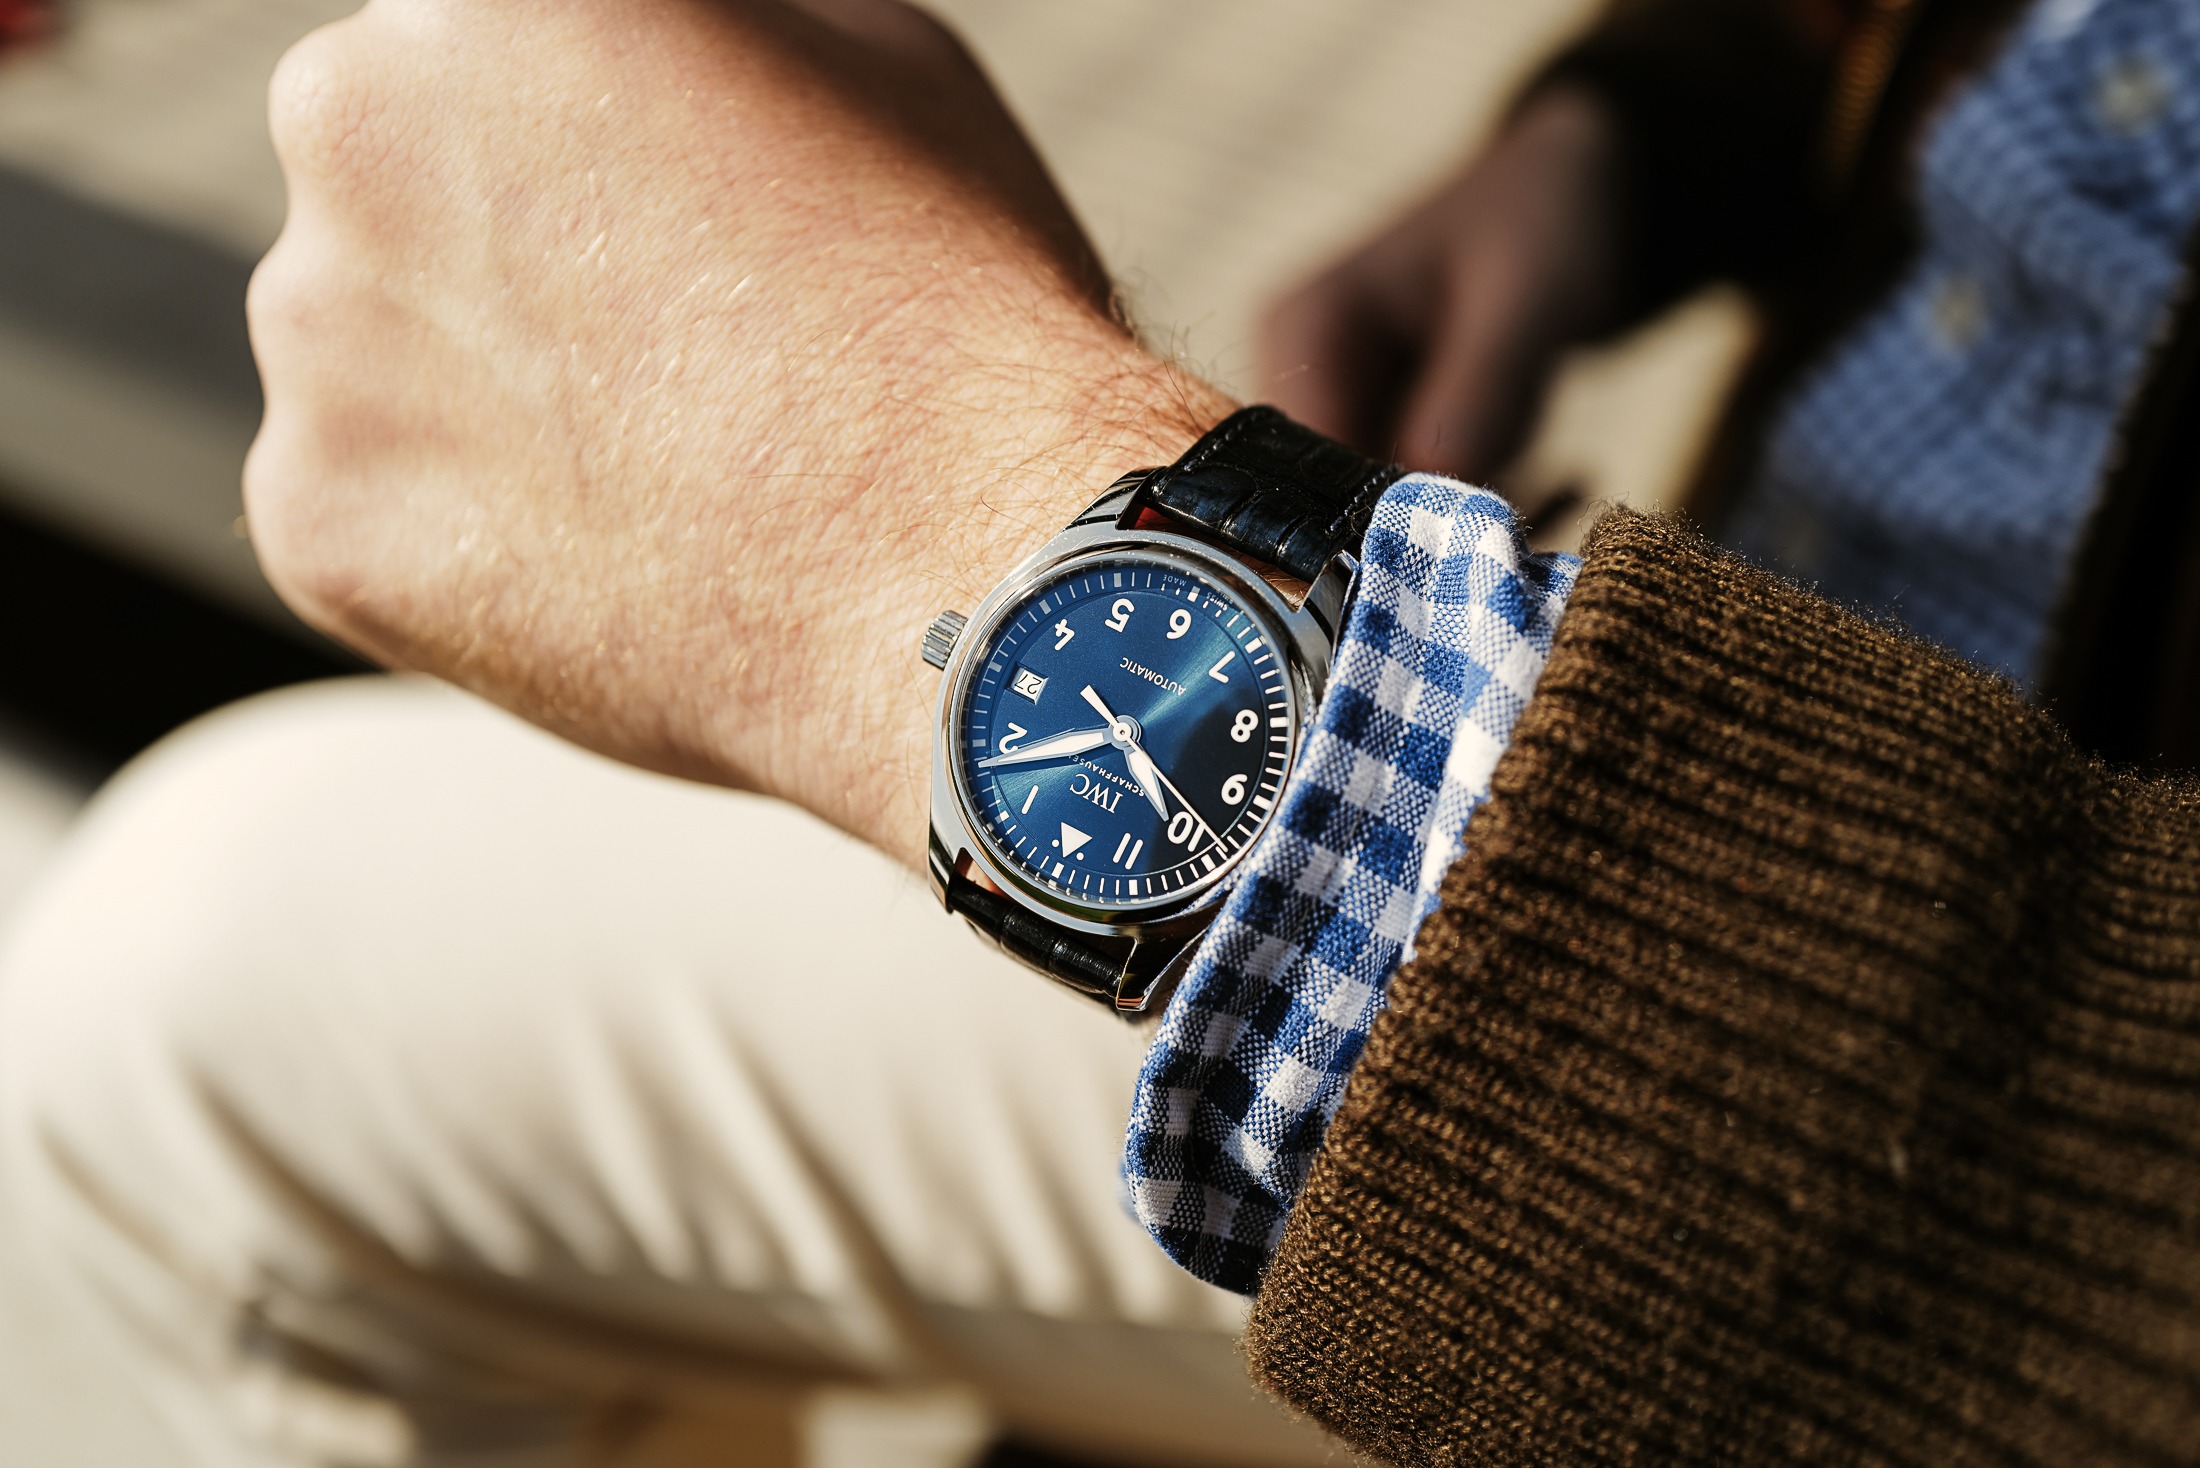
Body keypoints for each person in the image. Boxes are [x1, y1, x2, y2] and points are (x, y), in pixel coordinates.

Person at [4, 2, 2198, 1466]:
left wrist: (907, 498)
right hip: (1736, 683)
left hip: (1849, 1126)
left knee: (207, 980)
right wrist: (1624, 143)